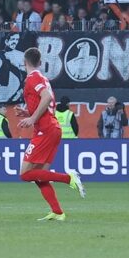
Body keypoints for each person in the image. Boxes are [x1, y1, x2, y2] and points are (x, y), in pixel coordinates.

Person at [16, 47, 84, 221]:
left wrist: (32, 118)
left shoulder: (33, 78)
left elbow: (46, 98)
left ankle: (68, 178)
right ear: (40, 62)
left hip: (45, 129)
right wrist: (28, 113)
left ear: (24, 62)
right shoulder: (43, 78)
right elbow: (46, 102)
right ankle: (58, 212)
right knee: (39, 176)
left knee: (25, 174)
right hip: (51, 128)